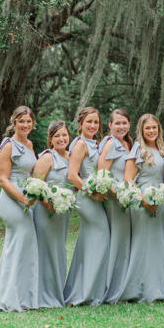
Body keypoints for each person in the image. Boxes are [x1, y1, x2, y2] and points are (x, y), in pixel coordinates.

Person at [0, 106, 39, 312]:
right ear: (14, 122)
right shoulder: (8, 145)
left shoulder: (29, 144)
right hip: (12, 200)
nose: (25, 125)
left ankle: (22, 296)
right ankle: (8, 300)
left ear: (32, 124)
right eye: (21, 121)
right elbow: (2, 179)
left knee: (24, 246)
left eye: (28, 121)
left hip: (27, 198)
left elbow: (32, 172)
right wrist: (23, 200)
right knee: (16, 246)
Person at [63, 107, 110, 306]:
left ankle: (82, 290)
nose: (92, 126)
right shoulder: (81, 144)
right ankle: (86, 293)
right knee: (102, 236)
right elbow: (72, 175)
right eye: (89, 122)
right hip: (85, 197)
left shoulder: (95, 143)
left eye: (96, 122)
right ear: (80, 123)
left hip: (95, 196)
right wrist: (93, 191)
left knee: (88, 242)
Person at [120, 114, 164, 303]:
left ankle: (156, 288)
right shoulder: (138, 150)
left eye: (154, 127)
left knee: (157, 244)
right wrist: (143, 200)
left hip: (160, 199)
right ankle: (137, 290)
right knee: (142, 244)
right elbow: (128, 181)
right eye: (148, 128)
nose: (152, 131)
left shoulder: (162, 149)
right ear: (141, 130)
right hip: (143, 201)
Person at [33, 120, 71, 309]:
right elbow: (36, 185)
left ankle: (57, 293)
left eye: (64, 135)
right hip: (46, 211)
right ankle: (43, 296)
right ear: (50, 139)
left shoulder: (71, 157)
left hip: (63, 212)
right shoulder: (48, 157)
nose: (61, 138)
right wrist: (48, 204)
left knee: (59, 251)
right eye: (57, 136)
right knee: (46, 251)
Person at [98, 108, 133, 303]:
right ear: (110, 125)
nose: (121, 126)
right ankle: (111, 290)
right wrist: (117, 195)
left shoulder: (126, 143)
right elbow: (103, 174)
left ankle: (122, 285)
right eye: (117, 123)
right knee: (116, 241)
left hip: (125, 199)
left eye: (124, 123)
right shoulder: (111, 143)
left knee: (123, 241)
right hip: (115, 199)